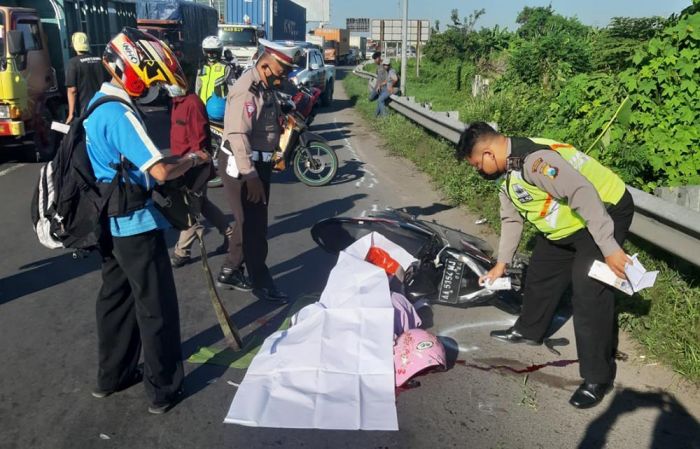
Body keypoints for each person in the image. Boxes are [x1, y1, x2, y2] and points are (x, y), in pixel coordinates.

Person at [456, 122, 634, 409]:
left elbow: (582, 192)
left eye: (477, 164)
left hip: (604, 209)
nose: (478, 171)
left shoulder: (535, 162)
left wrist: (610, 247)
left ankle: (597, 378)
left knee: (588, 289)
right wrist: (502, 264)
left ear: (489, 153)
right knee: (540, 272)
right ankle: (529, 330)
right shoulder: (506, 172)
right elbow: (511, 219)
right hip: (568, 224)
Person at [86, 28, 210, 414]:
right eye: (150, 81)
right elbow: (157, 171)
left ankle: (113, 376)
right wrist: (192, 159)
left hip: (105, 219)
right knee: (156, 306)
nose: (151, 90)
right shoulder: (120, 112)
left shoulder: (96, 103)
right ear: (135, 73)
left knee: (115, 301)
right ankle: (163, 388)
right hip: (135, 223)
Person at [216, 39, 304, 302]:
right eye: (282, 70)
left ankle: (231, 270)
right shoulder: (247, 89)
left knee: (247, 221)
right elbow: (237, 135)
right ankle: (261, 283)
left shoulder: (265, 85)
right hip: (244, 167)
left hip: (258, 163)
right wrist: (251, 176)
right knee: (255, 227)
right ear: (266, 64)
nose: (285, 76)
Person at [166, 83, 232, 268]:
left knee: (191, 211)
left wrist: (195, 166)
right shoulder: (176, 102)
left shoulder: (193, 104)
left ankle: (182, 252)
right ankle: (231, 236)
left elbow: (199, 142)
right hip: (181, 165)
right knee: (203, 204)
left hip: (194, 167)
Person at [65, 32, 107, 124]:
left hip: (85, 109)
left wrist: (71, 114)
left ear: (73, 45)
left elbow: (72, 90)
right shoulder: (100, 60)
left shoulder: (73, 63)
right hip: (103, 104)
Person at [196, 36, 232, 120]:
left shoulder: (225, 67)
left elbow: (233, 90)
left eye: (214, 52)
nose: (211, 55)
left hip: (218, 111)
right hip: (201, 109)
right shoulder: (201, 67)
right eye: (208, 52)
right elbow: (197, 88)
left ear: (219, 51)